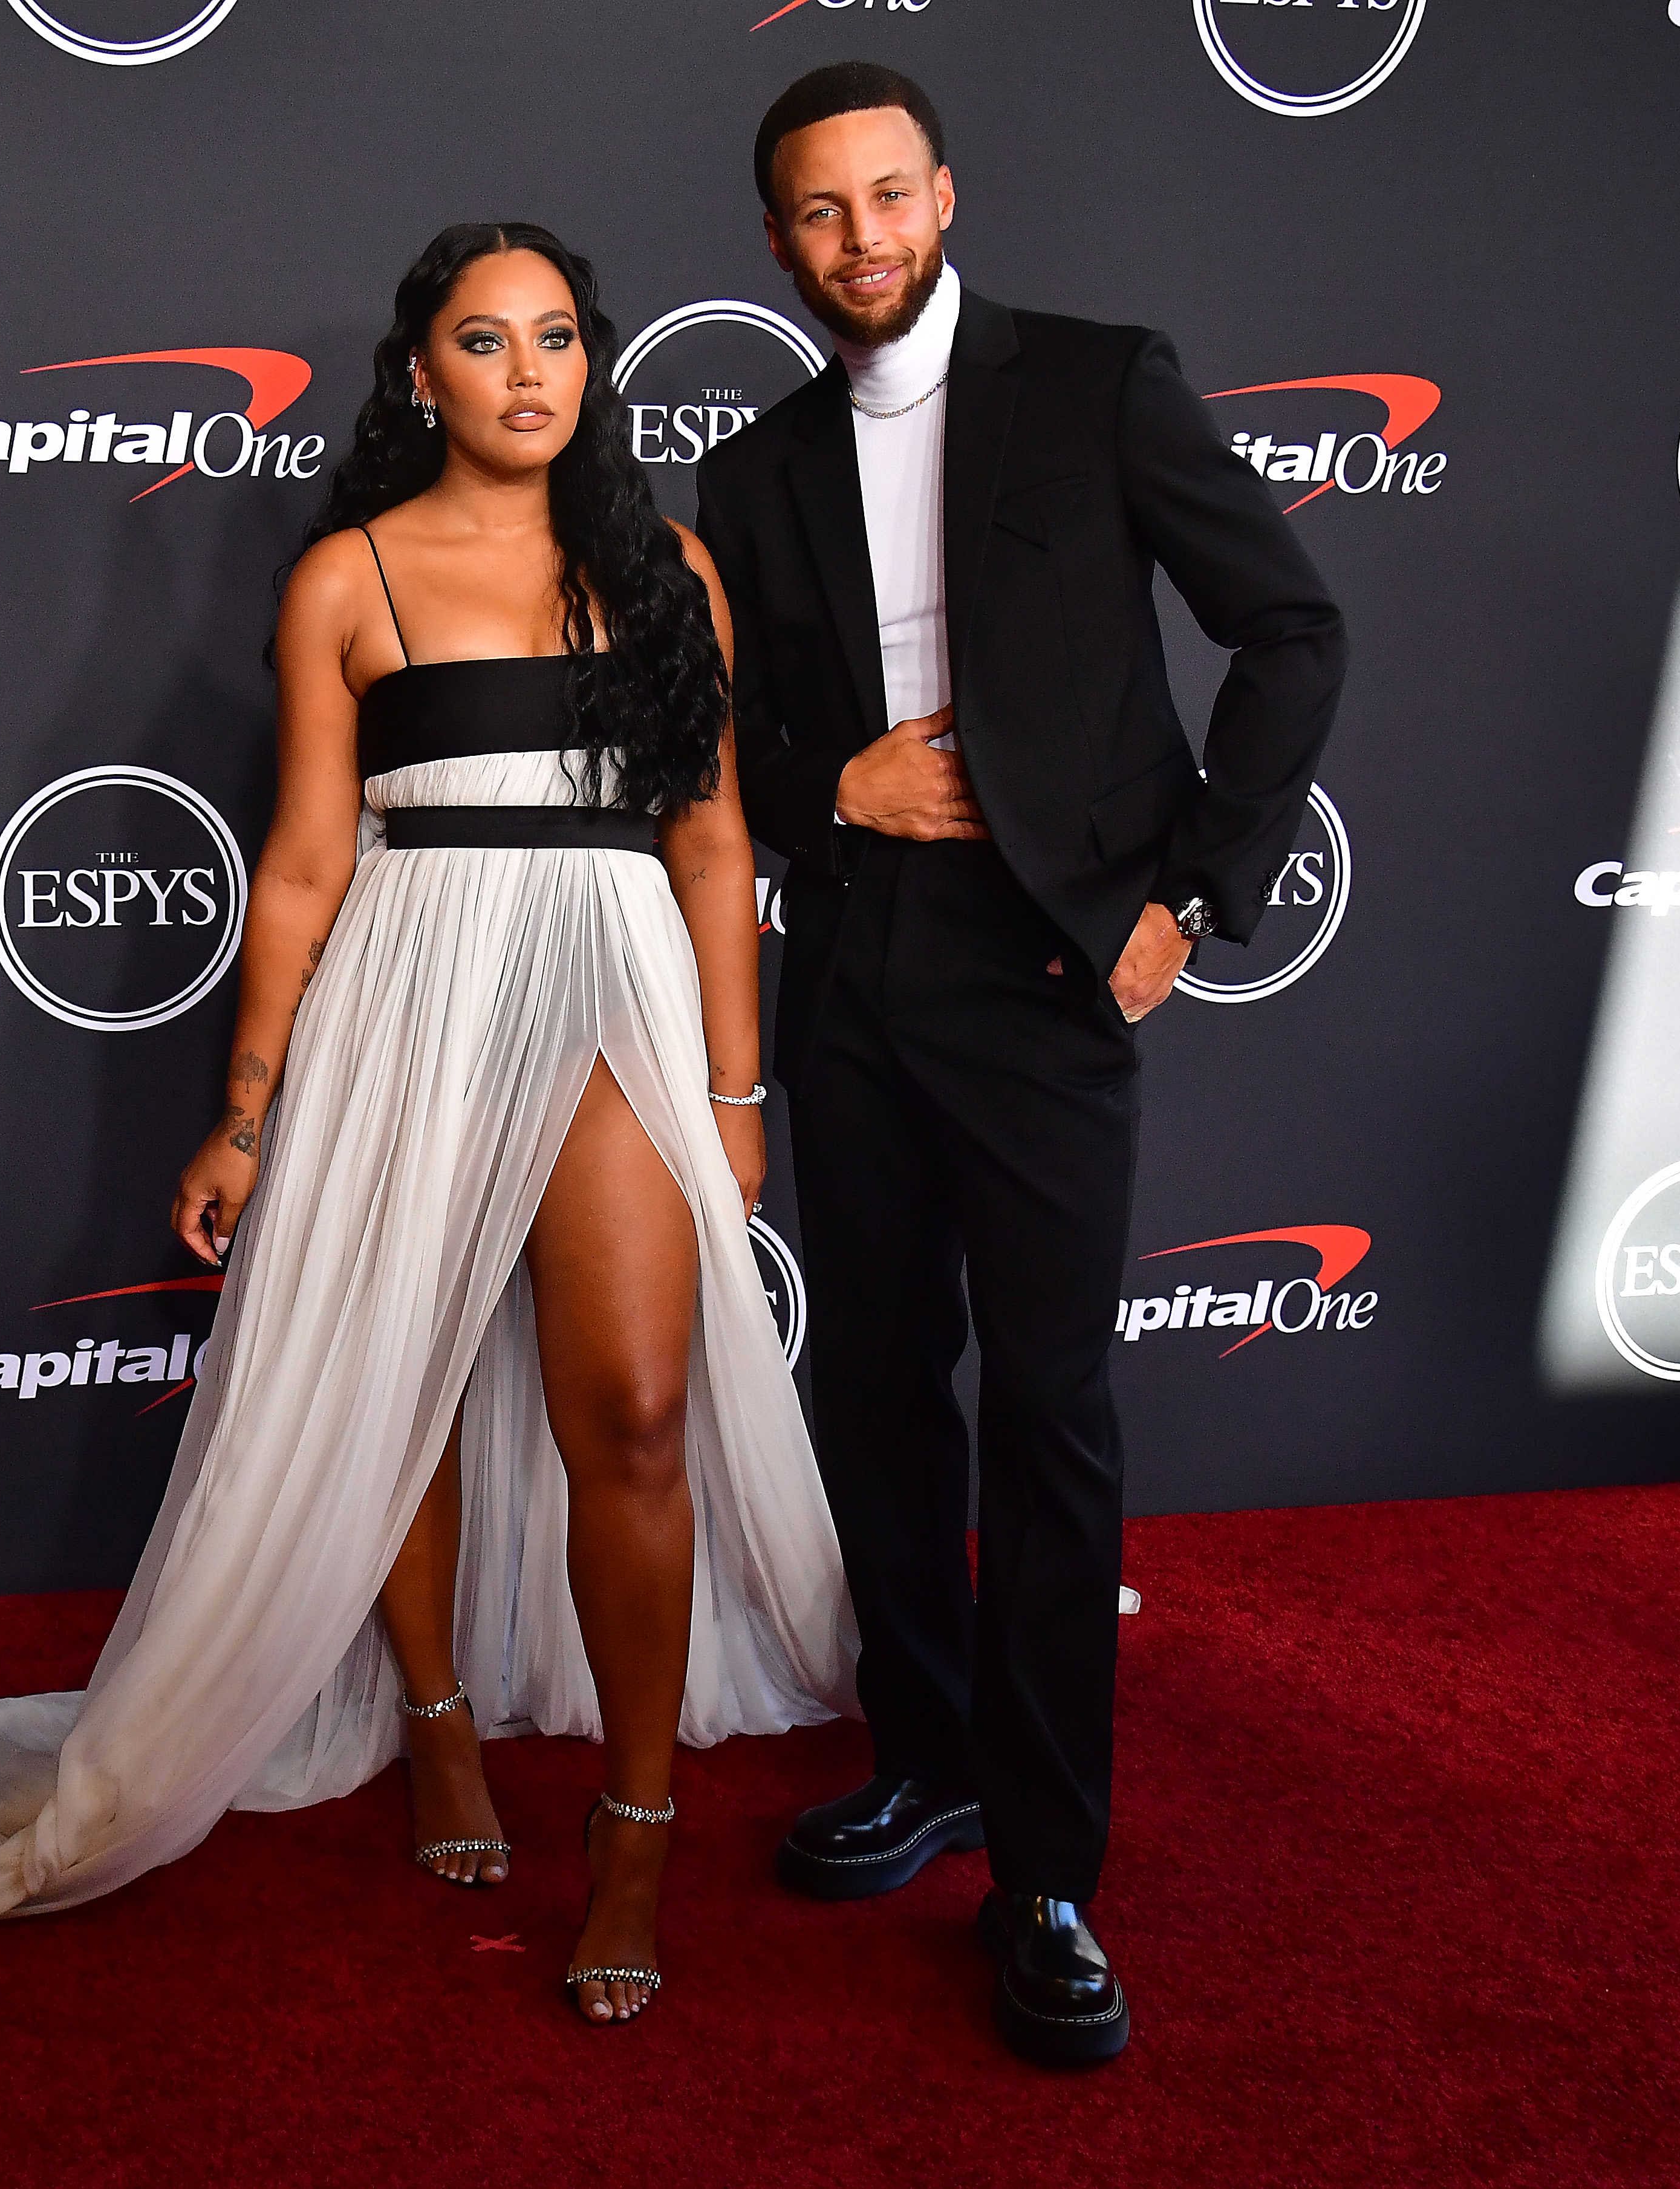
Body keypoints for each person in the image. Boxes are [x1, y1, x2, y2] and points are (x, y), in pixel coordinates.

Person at [0, 224, 856, 2025]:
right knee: (395, 1380)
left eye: (562, 339)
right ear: (417, 373)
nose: (531, 372)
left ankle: (639, 1825)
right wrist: (247, 1109)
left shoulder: (671, 568)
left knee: (642, 1414)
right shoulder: (348, 577)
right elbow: (297, 864)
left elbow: (718, 842)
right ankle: (435, 1725)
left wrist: (734, 1096)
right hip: (408, 989)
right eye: (485, 340)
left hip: (615, 990)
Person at [695, 64, 1346, 2067]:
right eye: (819, 212)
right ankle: (931, 1757)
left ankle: (1050, 1863)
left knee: (1049, 1411)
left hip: (1059, 969)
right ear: (781, 239)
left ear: (945, 194)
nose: (861, 239)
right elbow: (738, 768)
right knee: (881, 1387)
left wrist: (1192, 899)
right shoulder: (758, 464)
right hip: (862, 974)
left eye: (888, 196)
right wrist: (839, 792)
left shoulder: (1096, 379)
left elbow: (1290, 627)